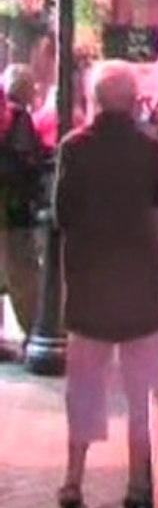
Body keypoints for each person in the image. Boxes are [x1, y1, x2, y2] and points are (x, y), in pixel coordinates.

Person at [53, 60, 158, 508]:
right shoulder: (150, 148)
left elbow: (63, 213)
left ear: (94, 98)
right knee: (144, 392)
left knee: (83, 386)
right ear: (132, 100)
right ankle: (139, 483)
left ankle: (73, 479)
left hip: (91, 290)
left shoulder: (74, 148)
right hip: (144, 289)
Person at [0, 64, 44, 356]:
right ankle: (37, 335)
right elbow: (24, 165)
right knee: (23, 274)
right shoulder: (19, 119)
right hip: (12, 209)